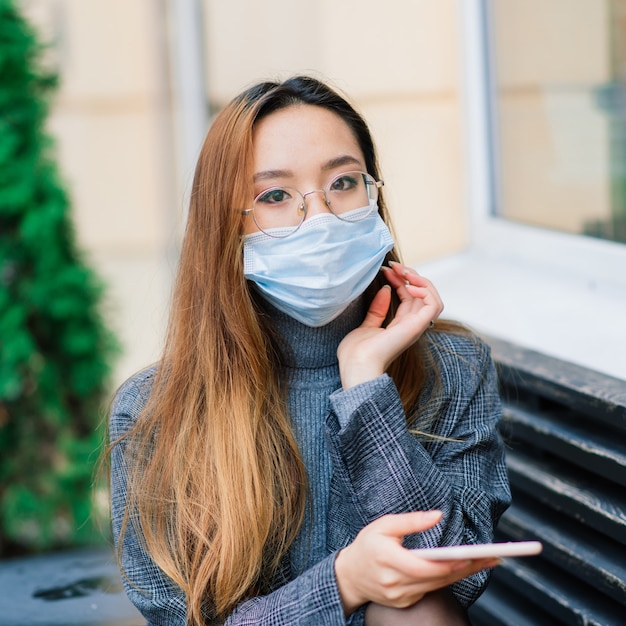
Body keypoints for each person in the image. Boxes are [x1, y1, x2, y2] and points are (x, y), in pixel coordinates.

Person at [109, 75, 511, 626]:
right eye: (274, 195)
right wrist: (344, 583)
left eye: (343, 182)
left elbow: (450, 573)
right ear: (225, 227)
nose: (320, 218)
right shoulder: (153, 407)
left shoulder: (454, 370)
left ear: (375, 194)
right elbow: (175, 615)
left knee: (412, 605)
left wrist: (367, 385)